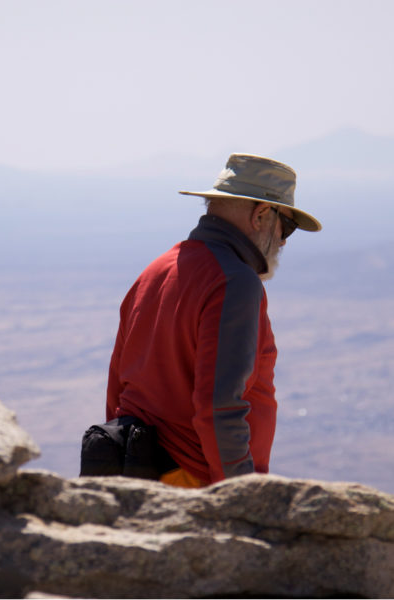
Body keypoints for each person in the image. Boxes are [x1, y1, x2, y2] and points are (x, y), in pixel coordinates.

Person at [106, 153, 322, 488]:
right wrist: (238, 496)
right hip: (194, 482)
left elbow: (118, 384)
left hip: (139, 473)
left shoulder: (156, 270)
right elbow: (219, 406)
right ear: (262, 214)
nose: (282, 241)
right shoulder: (234, 282)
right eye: (288, 227)